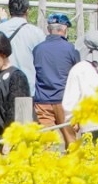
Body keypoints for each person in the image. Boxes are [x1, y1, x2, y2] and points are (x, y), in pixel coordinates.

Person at [30, 13, 82, 149]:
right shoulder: (70, 49)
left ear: (48, 29)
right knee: (71, 140)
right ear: (64, 29)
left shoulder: (38, 49)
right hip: (64, 100)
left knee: (46, 142)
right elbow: (77, 71)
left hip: (42, 101)